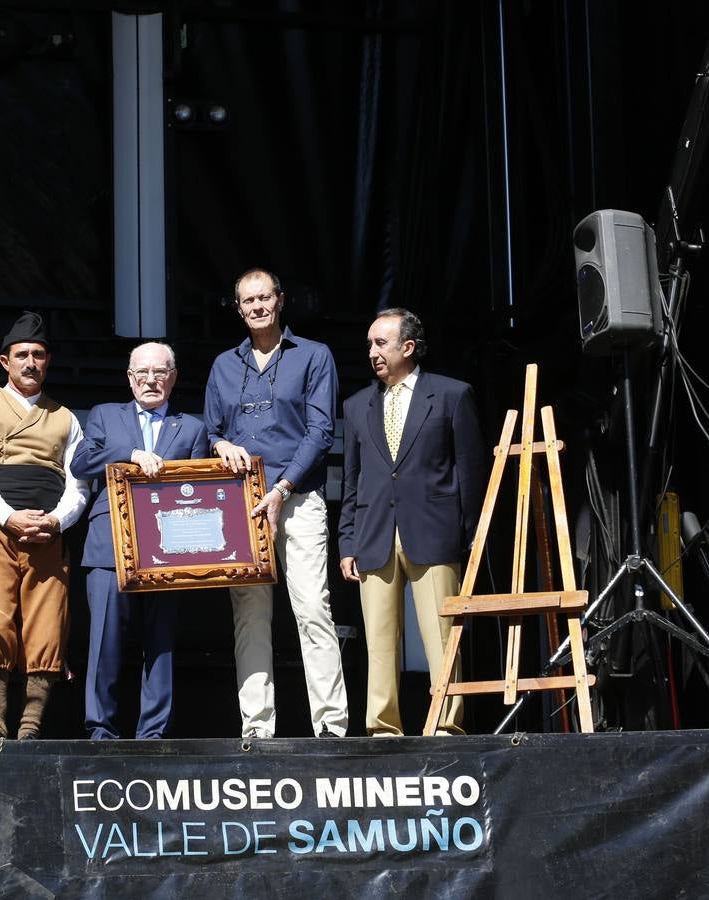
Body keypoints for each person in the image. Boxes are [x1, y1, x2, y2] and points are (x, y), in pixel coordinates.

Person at [203, 267, 349, 738]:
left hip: (297, 499)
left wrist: (282, 489)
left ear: (281, 301)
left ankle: (330, 726)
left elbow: (321, 431)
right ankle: (257, 728)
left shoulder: (313, 355)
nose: (257, 307)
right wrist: (218, 444)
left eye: (265, 298)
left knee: (311, 609)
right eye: (248, 301)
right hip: (241, 506)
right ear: (239, 308)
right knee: (249, 616)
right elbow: (211, 431)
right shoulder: (225, 365)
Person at [337, 307, 487, 736]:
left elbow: (469, 472)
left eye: (380, 343)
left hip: (434, 531)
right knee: (379, 643)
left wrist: (470, 535)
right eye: (369, 344)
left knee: (442, 637)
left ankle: (445, 727)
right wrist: (347, 541)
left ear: (408, 347)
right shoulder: (356, 405)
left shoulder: (452, 395)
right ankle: (382, 729)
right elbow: (353, 480)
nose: (372, 352)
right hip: (373, 535)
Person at [0, 312, 88, 739]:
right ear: (5, 361)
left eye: (39, 355)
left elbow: (80, 484)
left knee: (47, 629)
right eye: (22, 355)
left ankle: (30, 727)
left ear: (48, 361)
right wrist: (8, 517)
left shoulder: (66, 417)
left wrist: (55, 520)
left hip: (47, 534)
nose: (31, 362)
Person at [69, 342, 209, 739]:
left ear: (173, 377)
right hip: (108, 545)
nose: (151, 380)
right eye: (142, 373)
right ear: (129, 378)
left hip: (170, 549)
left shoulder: (193, 428)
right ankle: (100, 731)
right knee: (104, 644)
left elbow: (199, 492)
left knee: (161, 646)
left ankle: (154, 735)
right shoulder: (105, 415)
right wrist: (130, 453)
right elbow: (81, 462)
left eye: (160, 372)